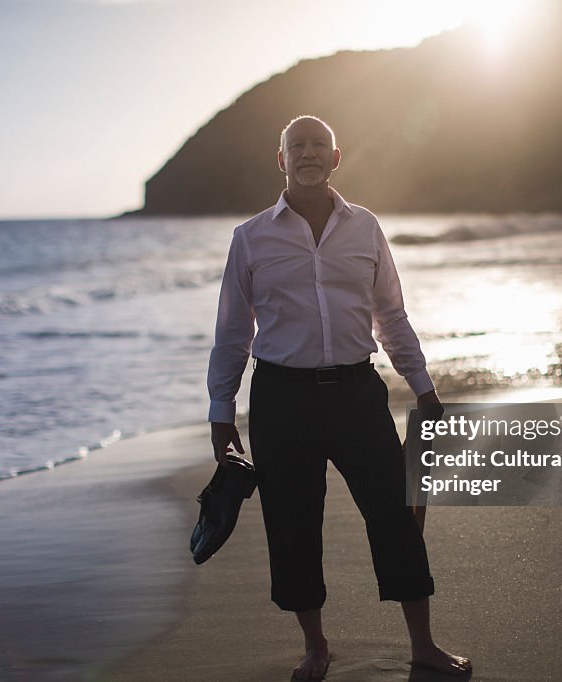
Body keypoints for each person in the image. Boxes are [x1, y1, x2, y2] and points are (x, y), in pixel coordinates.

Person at [207, 115, 471, 679]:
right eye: (296, 145)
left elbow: (390, 315)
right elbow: (233, 331)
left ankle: (423, 645)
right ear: (281, 159)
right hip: (280, 399)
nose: (308, 153)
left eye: (318, 145)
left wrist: (423, 387)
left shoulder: (365, 227)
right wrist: (220, 411)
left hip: (357, 392)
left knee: (395, 516)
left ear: (336, 157)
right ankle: (315, 646)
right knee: (293, 524)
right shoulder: (250, 237)